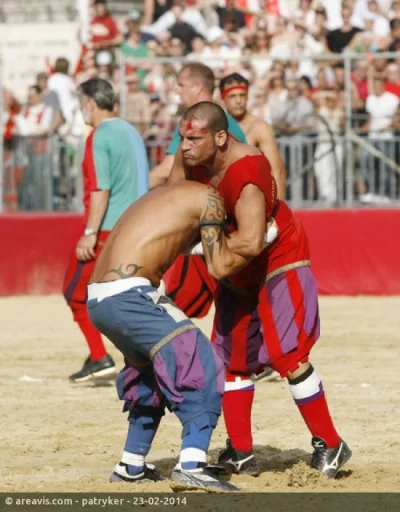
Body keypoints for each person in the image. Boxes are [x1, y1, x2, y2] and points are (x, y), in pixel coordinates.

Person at [170, 101, 352, 479]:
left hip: (275, 256)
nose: (184, 146)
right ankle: (240, 450)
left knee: (289, 353)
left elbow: (253, 242)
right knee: (231, 355)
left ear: (220, 137)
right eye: (182, 138)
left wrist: (199, 248)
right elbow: (172, 204)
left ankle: (331, 443)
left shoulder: (248, 170)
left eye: (193, 138)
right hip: (234, 262)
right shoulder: (190, 160)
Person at [87, 181, 241, 492]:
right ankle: (193, 463)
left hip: (99, 299)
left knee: (148, 376)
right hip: (130, 294)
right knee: (199, 359)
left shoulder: (162, 191)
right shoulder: (209, 196)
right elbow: (220, 266)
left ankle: (131, 464)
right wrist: (258, 241)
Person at [63, 78, 149, 383]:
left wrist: (89, 231)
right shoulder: (130, 131)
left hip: (107, 230)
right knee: (128, 297)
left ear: (89, 104)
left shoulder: (98, 135)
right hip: (137, 226)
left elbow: (100, 188)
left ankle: (100, 357)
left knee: (75, 294)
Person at [150, 62, 247, 319]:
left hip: (206, 220)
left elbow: (168, 172)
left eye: (181, 85)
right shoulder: (223, 121)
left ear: (197, 87)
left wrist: (137, 199)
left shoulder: (196, 122)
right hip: (223, 217)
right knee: (232, 302)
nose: (177, 91)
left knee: (175, 302)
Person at [219, 72, 287, 199]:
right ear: (223, 98)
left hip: (253, 198)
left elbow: (277, 170)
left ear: (247, 97)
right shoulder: (217, 127)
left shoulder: (259, 127)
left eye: (242, 95)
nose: (238, 101)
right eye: (232, 96)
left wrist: (279, 210)